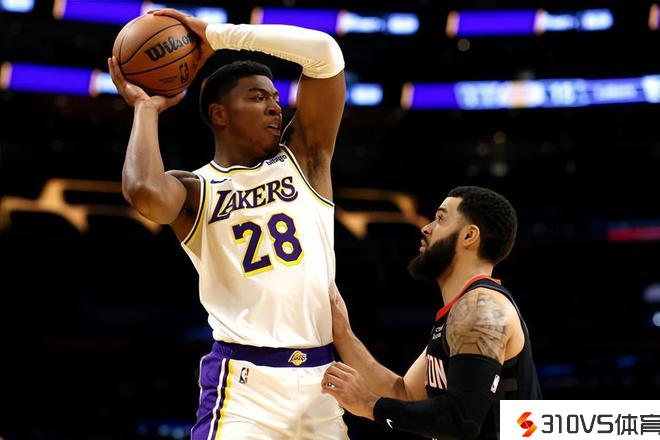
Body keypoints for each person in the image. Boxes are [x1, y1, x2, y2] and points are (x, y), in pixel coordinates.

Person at [108, 8, 347, 439]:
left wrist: (219, 36)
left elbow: (325, 53)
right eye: (257, 98)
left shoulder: (306, 158)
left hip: (322, 380)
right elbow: (142, 190)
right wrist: (145, 108)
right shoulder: (195, 189)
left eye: (275, 98)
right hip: (244, 386)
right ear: (219, 114)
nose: (274, 107)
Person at [322, 186, 541, 439]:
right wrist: (343, 334)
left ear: (469, 235)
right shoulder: (462, 309)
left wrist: (369, 405)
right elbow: (403, 393)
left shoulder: (480, 308)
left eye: (440, 219)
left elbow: (462, 420)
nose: (426, 228)